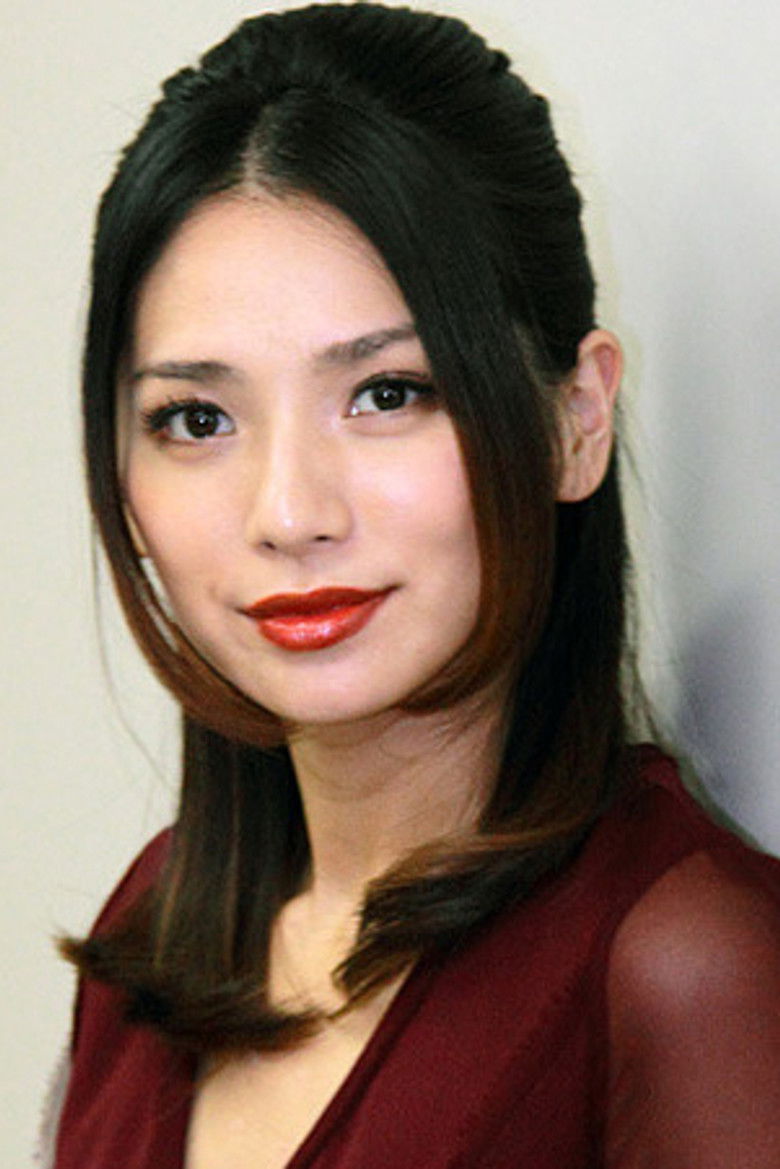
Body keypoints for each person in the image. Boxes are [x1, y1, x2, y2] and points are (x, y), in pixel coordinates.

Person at [49, 4, 780, 1167]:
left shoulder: (687, 964)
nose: (289, 512)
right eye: (197, 418)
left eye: (387, 393)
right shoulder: (150, 934)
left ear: (575, 420)